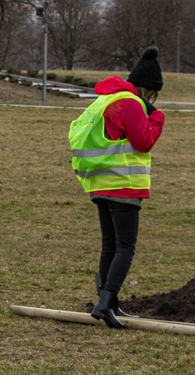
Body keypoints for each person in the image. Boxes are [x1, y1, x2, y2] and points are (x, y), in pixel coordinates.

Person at [69, 46, 166, 327]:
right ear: (148, 89)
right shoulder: (130, 103)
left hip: (99, 182)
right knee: (125, 246)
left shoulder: (104, 100)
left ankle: (111, 303)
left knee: (109, 245)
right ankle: (104, 303)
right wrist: (157, 116)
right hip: (122, 183)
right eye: (154, 94)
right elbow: (143, 140)